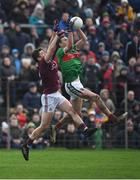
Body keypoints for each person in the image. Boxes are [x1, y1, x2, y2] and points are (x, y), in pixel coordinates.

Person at [21, 23, 96, 161]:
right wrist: (59, 35)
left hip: (56, 94)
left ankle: (85, 130)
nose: (44, 52)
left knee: (73, 111)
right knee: (44, 126)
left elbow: (50, 46)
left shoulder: (47, 59)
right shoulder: (43, 63)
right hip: (49, 97)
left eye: (44, 51)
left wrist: (55, 32)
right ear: (38, 58)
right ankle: (26, 144)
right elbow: (50, 49)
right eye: (41, 52)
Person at [52, 26, 127, 143]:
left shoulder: (73, 49)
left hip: (77, 84)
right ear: (60, 44)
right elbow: (70, 44)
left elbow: (84, 39)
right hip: (71, 84)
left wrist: (77, 27)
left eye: (67, 39)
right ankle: (113, 118)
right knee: (96, 97)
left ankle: (55, 127)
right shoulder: (60, 52)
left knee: (74, 113)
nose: (67, 40)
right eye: (64, 40)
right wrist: (71, 30)